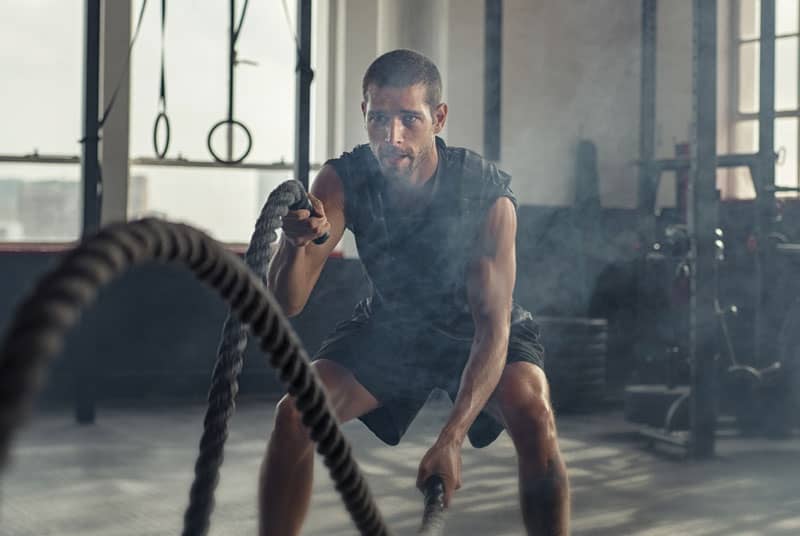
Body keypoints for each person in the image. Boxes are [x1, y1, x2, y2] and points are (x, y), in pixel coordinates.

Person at [260, 49, 570, 536]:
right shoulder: (343, 180)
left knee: (533, 412)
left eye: (410, 119)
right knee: (295, 416)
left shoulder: (485, 195)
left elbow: (493, 330)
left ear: (438, 118)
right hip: (393, 326)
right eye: (379, 118)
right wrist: (294, 247)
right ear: (363, 113)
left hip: (475, 331)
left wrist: (451, 438)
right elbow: (288, 303)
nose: (392, 137)